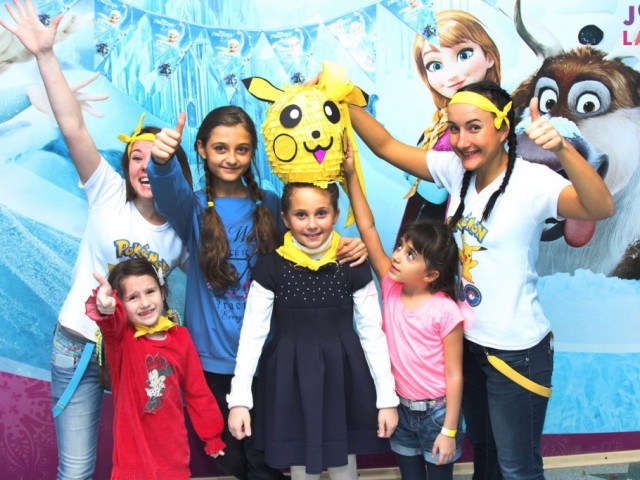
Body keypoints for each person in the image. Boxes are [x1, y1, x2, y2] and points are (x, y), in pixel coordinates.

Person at [347, 81, 614, 479]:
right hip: (469, 346)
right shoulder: (456, 171)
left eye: (474, 127)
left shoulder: (532, 181)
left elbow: (600, 206)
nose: (462, 141)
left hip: (516, 353)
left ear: (503, 128)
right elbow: (386, 147)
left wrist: (561, 149)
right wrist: (339, 98)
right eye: (454, 129)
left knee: (517, 468)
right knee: (485, 458)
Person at [0, 1, 193, 478]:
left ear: (175, 169)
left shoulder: (184, 230)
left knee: (145, 464)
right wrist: (45, 55)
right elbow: (72, 125)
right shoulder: (106, 190)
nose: (145, 167)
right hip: (79, 346)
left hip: (141, 354)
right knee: (76, 471)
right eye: (137, 158)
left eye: (158, 159)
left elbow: (224, 275)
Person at [148, 107, 368, 480]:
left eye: (242, 149)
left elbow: (310, 238)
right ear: (201, 149)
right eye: (220, 148)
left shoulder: (269, 204)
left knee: (266, 453)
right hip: (213, 362)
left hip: (270, 357)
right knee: (227, 455)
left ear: (253, 152)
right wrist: (161, 160)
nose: (231, 158)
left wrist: (347, 245)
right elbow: (167, 190)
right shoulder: (193, 208)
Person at [226, 182, 399, 479]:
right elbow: (253, 334)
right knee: (300, 459)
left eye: (321, 213)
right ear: (285, 218)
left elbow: (372, 333)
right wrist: (240, 399)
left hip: (343, 374)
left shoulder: (353, 263)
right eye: (301, 215)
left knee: (343, 459)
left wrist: (387, 399)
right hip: (289, 376)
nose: (311, 224)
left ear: (336, 215)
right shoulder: (270, 268)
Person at [342, 143, 464, 480]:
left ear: (431, 275)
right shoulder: (390, 286)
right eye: (400, 247)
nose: (396, 256)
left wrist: (449, 430)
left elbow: (455, 374)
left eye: (411, 255)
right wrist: (351, 175)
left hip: (437, 414)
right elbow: (367, 228)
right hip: (401, 410)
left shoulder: (445, 311)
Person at [85, 259, 226, 479]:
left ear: (162, 291)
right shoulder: (121, 340)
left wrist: (212, 435)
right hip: (133, 465)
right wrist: (106, 309)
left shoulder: (180, 337)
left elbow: (197, 391)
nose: (144, 303)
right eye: (132, 297)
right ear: (120, 303)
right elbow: (111, 325)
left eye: (150, 292)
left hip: (175, 461)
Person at [404, 10, 500, 224]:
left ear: (489, 56)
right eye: (435, 65)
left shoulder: (495, 119)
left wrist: (412, 170)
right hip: (434, 222)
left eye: (464, 55)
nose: (451, 74)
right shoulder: (443, 119)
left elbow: (436, 192)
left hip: (467, 224)